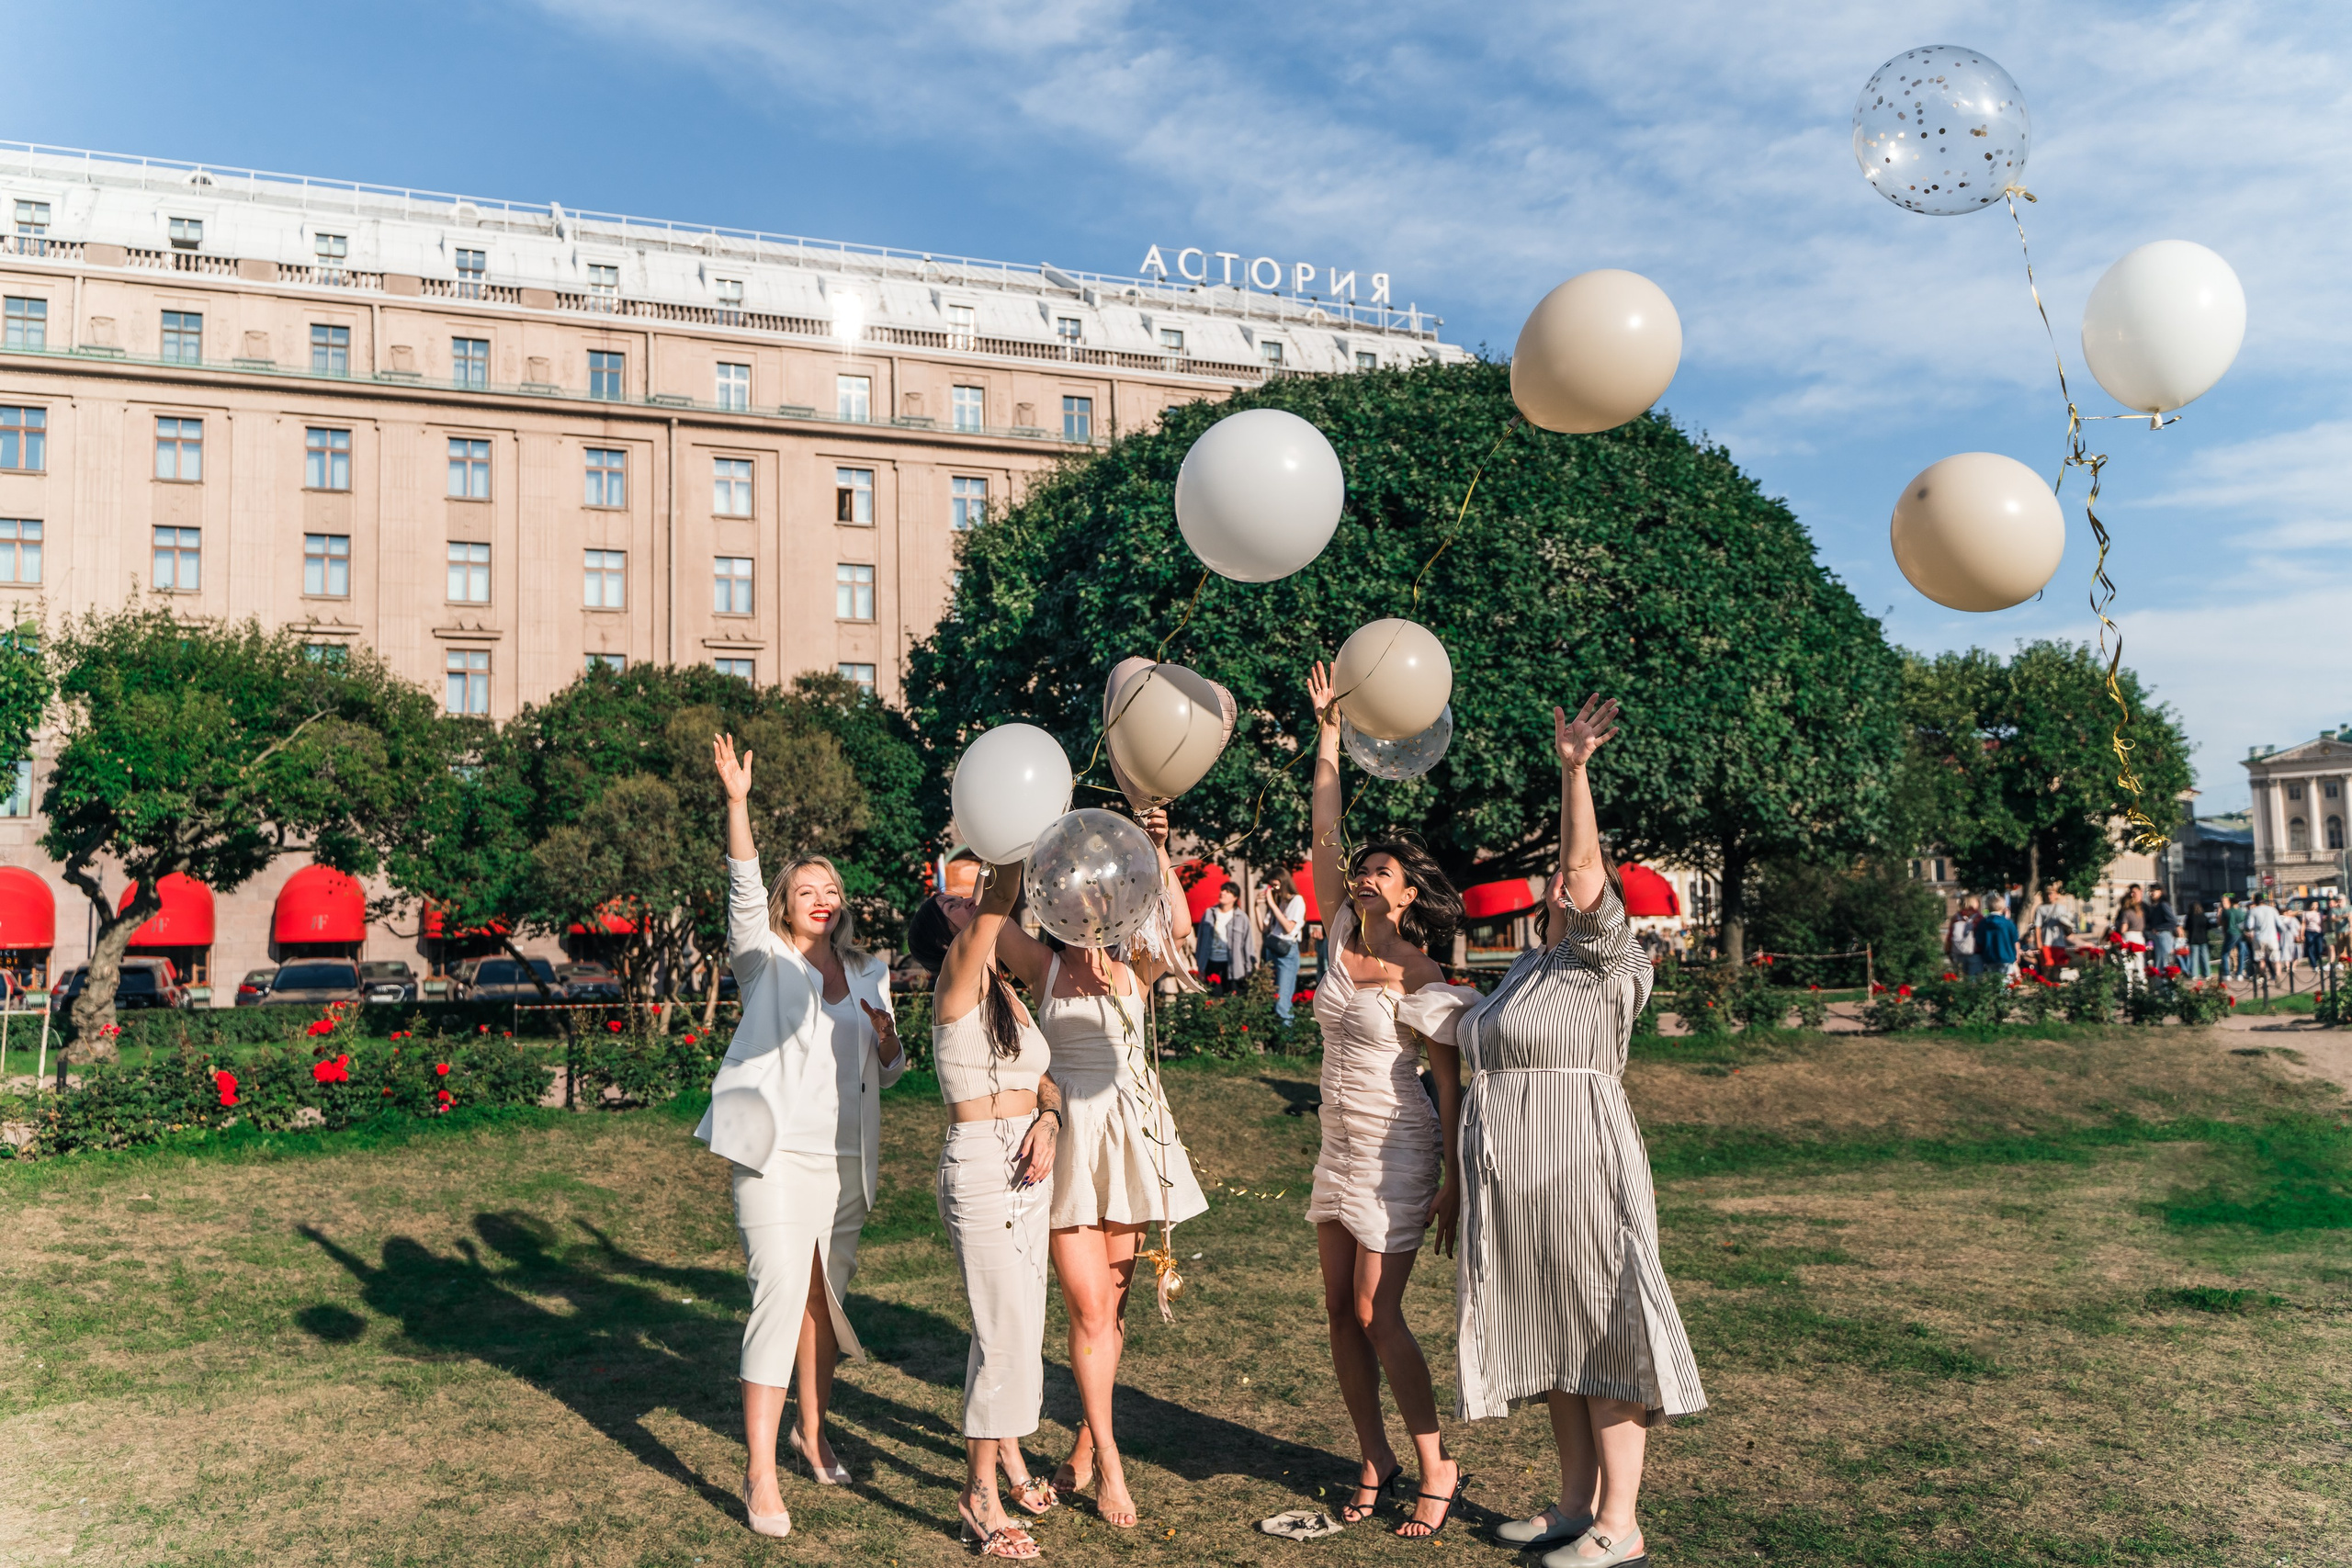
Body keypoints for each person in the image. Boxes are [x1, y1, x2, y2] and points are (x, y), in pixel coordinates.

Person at [1461, 695, 1705, 1568]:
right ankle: (1572, 1505)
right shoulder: (1526, 967)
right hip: (1514, 1175)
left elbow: (1586, 857)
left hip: (1580, 1163)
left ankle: (1621, 1521)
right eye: (1555, 885)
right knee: (1551, 1334)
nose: (1559, 883)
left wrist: (1574, 771)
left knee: (1603, 1331)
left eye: (1571, 880)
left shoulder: (1610, 960)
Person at [697, 735, 906, 1540]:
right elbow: (743, 889)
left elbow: (885, 1074)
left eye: (832, 889)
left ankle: (813, 1434)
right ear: (789, 902)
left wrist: (889, 1042)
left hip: (845, 1165)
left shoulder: (867, 972)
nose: (822, 896)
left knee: (826, 1305)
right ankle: (758, 1474)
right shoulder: (765, 960)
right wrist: (739, 803)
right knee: (781, 1299)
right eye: (808, 888)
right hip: (776, 1161)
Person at [1302, 660, 1485, 1541]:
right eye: (1364, 866)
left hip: (1400, 1145)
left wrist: (1453, 1176)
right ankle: (1373, 1457)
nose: (1367, 873)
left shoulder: (1421, 972)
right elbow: (1325, 830)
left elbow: (1448, 1083)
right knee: (1339, 1308)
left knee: (1380, 1309)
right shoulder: (1338, 928)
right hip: (1338, 1144)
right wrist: (1330, 732)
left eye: (1384, 870)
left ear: (1409, 895)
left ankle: (1437, 1462)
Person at [993, 806, 1207, 1529]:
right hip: (1072, 1141)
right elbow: (989, 927)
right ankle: (1112, 1466)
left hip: (1131, 1141)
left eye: (1100, 896)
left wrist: (1158, 846)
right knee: (1088, 1309)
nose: (1089, 907)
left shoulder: (1134, 967)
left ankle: (1086, 1440)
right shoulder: (1043, 963)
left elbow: (1177, 929)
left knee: (1112, 1311)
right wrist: (1003, 841)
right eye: (1076, 896)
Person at [906, 865, 1067, 1559]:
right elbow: (1001, 899)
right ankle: (979, 1497)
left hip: (1030, 1161)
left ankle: (1003, 1462)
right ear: (945, 926)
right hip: (979, 1163)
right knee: (1003, 1329)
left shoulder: (1006, 988)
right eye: (953, 897)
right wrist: (1012, 843)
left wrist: (1052, 1118)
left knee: (1015, 1328)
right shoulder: (958, 973)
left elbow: (1043, 1080)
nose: (967, 899)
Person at [1256, 870, 1307, 1024]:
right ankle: (1278, 1039)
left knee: (1282, 1003)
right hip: (1272, 951)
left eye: (1275, 886)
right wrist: (1256, 907)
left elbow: (1288, 928)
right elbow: (1263, 928)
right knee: (1272, 998)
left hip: (1287, 953)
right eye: (1270, 887)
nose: (1273, 890)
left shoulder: (1297, 901)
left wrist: (1271, 903)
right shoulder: (1279, 903)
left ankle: (1287, 1043)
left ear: (1284, 883)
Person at [1193, 882, 1244, 989]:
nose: (1223, 893)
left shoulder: (1241, 917)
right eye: (1222, 890)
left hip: (1231, 964)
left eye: (1228, 892)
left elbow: (1247, 944)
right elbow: (1200, 941)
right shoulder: (1209, 913)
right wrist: (1200, 966)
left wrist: (1248, 968)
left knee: (1232, 999)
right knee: (1213, 998)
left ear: (1235, 898)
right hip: (1211, 962)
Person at [1979, 898, 2020, 983]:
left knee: (1992, 981)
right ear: (2003, 908)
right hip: (2007, 956)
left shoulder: (1983, 923)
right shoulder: (2008, 923)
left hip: (1989, 956)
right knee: (2006, 981)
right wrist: (2017, 953)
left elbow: (1979, 940)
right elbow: (2015, 941)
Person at [2113, 886, 2147, 981]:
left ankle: (2129, 988)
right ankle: (2142, 985)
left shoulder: (2126, 913)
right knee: (2140, 963)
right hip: (2140, 937)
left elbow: (2123, 928)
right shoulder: (2140, 913)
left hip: (2129, 937)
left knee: (2128, 965)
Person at [1946, 897, 1981, 979]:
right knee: (1974, 979)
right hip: (1974, 952)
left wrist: (1948, 951)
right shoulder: (1978, 918)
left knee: (1960, 979)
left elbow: (1950, 936)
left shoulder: (1956, 917)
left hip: (1958, 952)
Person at [2146, 889, 2179, 975]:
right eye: (2151, 891)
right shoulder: (2155, 906)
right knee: (2159, 960)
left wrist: (2158, 928)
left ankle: (2166, 982)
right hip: (2157, 936)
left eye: (2154, 890)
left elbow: (2173, 921)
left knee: (2165, 960)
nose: (2151, 893)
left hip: (2164, 935)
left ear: (2160, 892)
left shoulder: (2163, 905)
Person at [2182, 899, 2212, 979]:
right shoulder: (2203, 916)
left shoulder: (2189, 917)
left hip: (2193, 939)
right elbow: (2208, 926)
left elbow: (2186, 927)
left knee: (2194, 958)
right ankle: (2207, 974)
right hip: (2203, 939)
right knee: (2205, 957)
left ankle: (2194, 974)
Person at [2222, 895, 2247, 980]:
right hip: (2240, 933)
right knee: (2241, 953)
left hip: (2231, 933)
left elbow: (2222, 922)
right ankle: (2240, 973)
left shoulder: (2227, 911)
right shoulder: (2242, 911)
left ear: (2231, 902)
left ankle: (2227, 974)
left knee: (2225, 953)